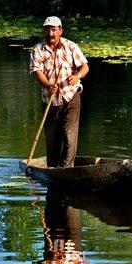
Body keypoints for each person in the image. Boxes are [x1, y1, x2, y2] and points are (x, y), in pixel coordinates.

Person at [29, 16, 90, 168]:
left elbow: (85, 67)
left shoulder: (70, 46)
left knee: (70, 137)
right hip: (50, 100)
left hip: (71, 97)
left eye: (54, 30)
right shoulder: (37, 50)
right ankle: (53, 170)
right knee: (53, 141)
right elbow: (37, 73)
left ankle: (67, 169)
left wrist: (77, 76)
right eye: (48, 30)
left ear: (60, 31)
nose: (51, 33)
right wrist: (48, 85)